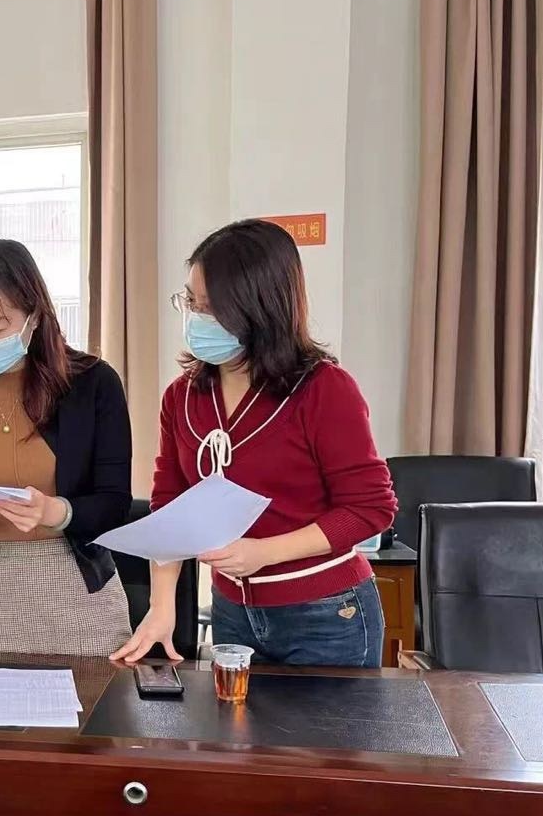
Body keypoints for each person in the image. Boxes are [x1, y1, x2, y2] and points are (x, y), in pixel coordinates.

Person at [114, 219, 396, 667]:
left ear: (259, 309)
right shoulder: (182, 397)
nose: (196, 317)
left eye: (211, 307)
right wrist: (162, 605)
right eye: (191, 302)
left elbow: (370, 509)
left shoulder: (324, 389)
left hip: (327, 615)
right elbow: (170, 509)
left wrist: (265, 553)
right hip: (232, 613)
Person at [0, 239, 132, 656]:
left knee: (95, 699)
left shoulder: (93, 384)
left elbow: (115, 502)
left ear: (33, 315)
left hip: (84, 599)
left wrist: (56, 512)